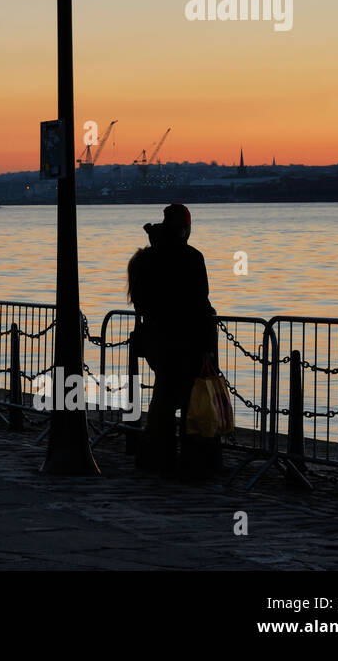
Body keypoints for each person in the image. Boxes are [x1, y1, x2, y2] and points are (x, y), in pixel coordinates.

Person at [130, 204, 219, 477]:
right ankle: (194, 459)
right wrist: (207, 345)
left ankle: (158, 455)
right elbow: (200, 301)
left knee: (165, 396)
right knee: (191, 399)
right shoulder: (192, 257)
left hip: (158, 340)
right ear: (185, 228)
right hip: (188, 339)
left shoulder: (144, 260)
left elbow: (141, 303)